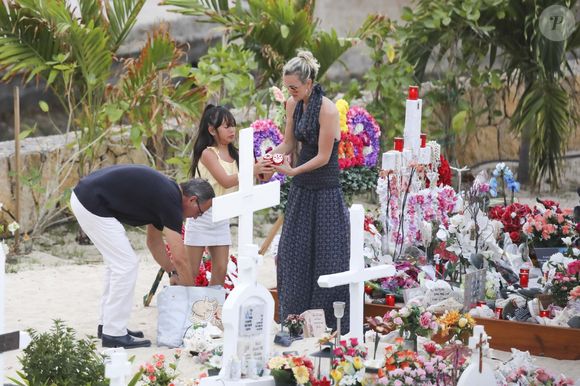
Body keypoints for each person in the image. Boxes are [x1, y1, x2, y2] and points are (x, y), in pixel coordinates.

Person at [70, 164, 215, 348]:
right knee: (126, 265)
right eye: (200, 212)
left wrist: (172, 273)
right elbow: (180, 258)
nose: (196, 217)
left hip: (86, 197)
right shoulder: (171, 200)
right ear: (193, 200)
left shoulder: (167, 194)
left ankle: (108, 324)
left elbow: (153, 243)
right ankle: (113, 333)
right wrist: (191, 298)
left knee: (117, 265)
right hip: (90, 202)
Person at [268, 50, 350, 332]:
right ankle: (293, 320)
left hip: (325, 189)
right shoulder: (293, 105)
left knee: (328, 257)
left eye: (294, 87)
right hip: (302, 189)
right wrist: (270, 159)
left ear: (310, 82)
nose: (290, 92)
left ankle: (327, 324)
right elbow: (288, 145)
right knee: (292, 253)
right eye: (287, 86)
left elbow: (324, 156)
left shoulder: (327, 109)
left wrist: (292, 171)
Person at [185, 104, 272, 286]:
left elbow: (261, 176)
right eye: (226, 126)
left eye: (233, 125)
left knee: (220, 269)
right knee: (191, 271)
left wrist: (270, 164)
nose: (232, 130)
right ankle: (182, 308)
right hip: (201, 215)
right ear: (212, 130)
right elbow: (225, 180)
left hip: (223, 216)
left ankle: (213, 311)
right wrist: (252, 170)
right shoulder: (208, 153)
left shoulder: (238, 154)